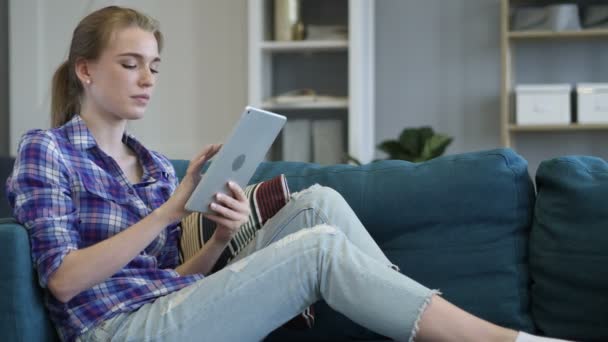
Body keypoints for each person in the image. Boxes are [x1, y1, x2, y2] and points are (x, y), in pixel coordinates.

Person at [6, 6, 570, 342]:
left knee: (317, 204)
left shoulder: (151, 164)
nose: (147, 79)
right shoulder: (47, 151)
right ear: (85, 70)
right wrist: (170, 211)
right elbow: (63, 279)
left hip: (172, 305)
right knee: (318, 248)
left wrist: (221, 236)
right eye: (130, 65)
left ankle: (412, 319)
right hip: (119, 330)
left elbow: (177, 273)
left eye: (154, 66)